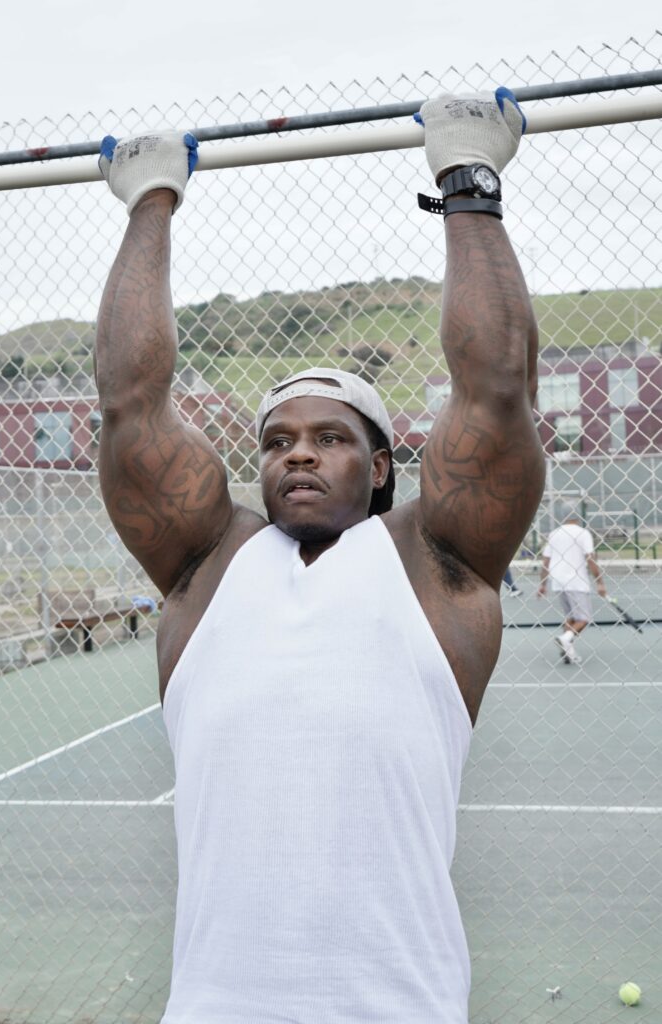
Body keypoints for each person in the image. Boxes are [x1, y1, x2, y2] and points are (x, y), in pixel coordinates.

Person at [94, 88, 545, 1024]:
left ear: (380, 467)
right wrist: (151, 200)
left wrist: (467, 178)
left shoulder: (437, 564)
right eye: (277, 440)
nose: (297, 454)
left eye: (330, 437)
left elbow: (496, 391)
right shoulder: (207, 567)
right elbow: (131, 405)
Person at [537, 505, 607, 664]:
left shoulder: (554, 534)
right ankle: (565, 638)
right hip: (576, 582)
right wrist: (600, 583)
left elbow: (546, 561)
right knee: (584, 618)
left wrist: (543, 584)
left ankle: (568, 652)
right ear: (579, 515)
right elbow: (590, 559)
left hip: (558, 582)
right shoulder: (583, 533)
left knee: (571, 618)